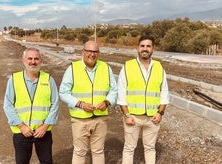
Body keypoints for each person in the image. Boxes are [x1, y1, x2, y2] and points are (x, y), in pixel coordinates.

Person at [59, 40, 118, 164]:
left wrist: (107, 102)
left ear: (98, 53)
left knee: (98, 151)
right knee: (80, 152)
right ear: (83, 52)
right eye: (89, 51)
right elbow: (63, 93)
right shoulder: (73, 68)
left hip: (100, 119)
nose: (92, 54)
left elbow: (114, 90)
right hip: (80, 119)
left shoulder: (106, 68)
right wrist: (80, 104)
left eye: (95, 51)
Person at [117, 35, 170, 164]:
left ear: (153, 49)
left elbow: (164, 93)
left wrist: (160, 113)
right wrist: (126, 115)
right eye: (142, 46)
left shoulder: (159, 67)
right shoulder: (127, 66)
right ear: (138, 48)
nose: (145, 49)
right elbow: (121, 94)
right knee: (129, 148)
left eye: (148, 46)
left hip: (153, 118)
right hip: (133, 118)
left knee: (150, 148)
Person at [3, 47, 59, 164]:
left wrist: (45, 126)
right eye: (30, 58)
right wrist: (21, 126)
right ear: (23, 60)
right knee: (22, 162)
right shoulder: (14, 79)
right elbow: (8, 105)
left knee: (46, 161)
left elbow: (55, 104)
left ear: (41, 61)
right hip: (22, 131)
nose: (33, 62)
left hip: (43, 131)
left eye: (36, 59)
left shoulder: (48, 79)